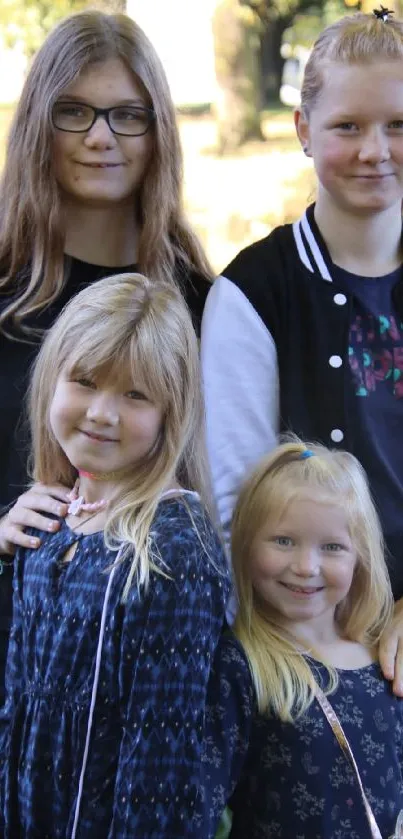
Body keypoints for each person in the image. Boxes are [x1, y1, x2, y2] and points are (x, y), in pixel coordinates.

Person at [0, 9, 212, 705]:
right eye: (74, 113)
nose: (100, 137)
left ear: (158, 134)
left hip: (141, 679)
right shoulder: (4, 293)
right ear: (37, 124)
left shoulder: (204, 305)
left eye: (128, 115)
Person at [201, 8, 403, 692]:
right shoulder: (253, 294)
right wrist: (345, 638)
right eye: (348, 126)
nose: (375, 150)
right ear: (303, 131)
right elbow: (235, 508)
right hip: (300, 652)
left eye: (397, 126)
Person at [0, 272, 229, 838]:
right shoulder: (52, 517)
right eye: (84, 381)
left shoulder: (174, 548)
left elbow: (163, 756)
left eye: (135, 394)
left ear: (170, 412)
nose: (102, 412)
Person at [201, 439, 403, 839]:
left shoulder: (385, 658)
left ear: (359, 558)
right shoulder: (238, 665)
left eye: (332, 547)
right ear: (245, 544)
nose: (306, 566)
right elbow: (199, 806)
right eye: (284, 541)